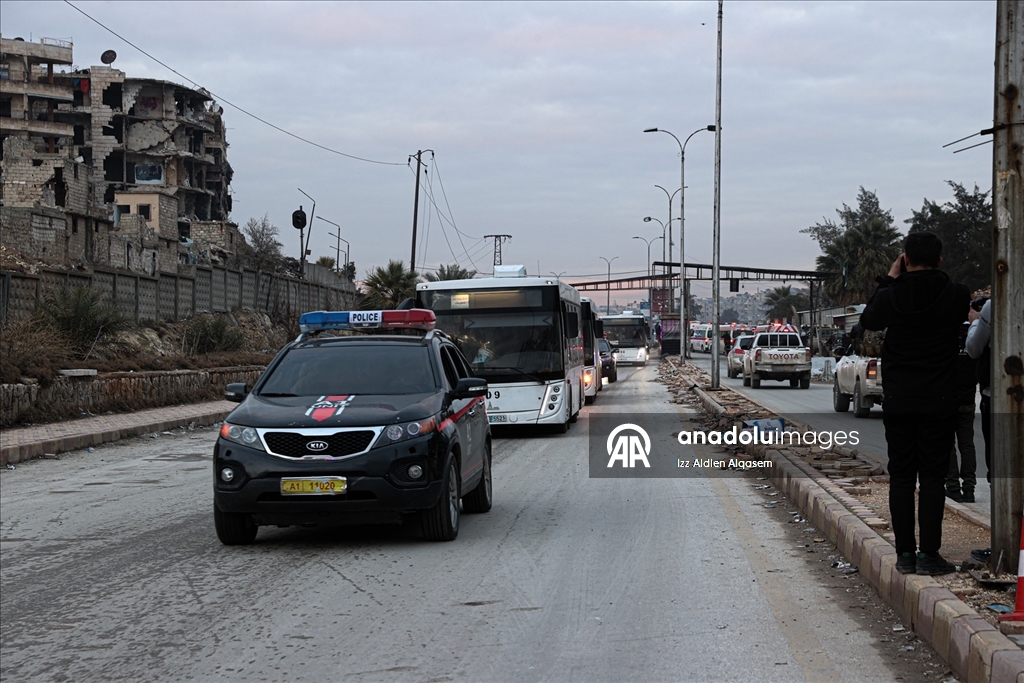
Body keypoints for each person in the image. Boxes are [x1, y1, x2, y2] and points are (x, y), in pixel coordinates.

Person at [860, 232, 969, 576]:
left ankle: (905, 554)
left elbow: (869, 320)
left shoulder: (893, 294)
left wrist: (890, 279)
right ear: (940, 259)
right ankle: (929, 555)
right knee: (933, 478)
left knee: (902, 477)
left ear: (905, 259)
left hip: (900, 398)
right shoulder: (956, 293)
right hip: (940, 398)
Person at [945, 321, 978, 503]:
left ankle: (953, 487)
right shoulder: (974, 339)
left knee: (948, 445)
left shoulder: (945, 337)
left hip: (948, 399)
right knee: (967, 444)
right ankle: (969, 489)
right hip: (968, 398)